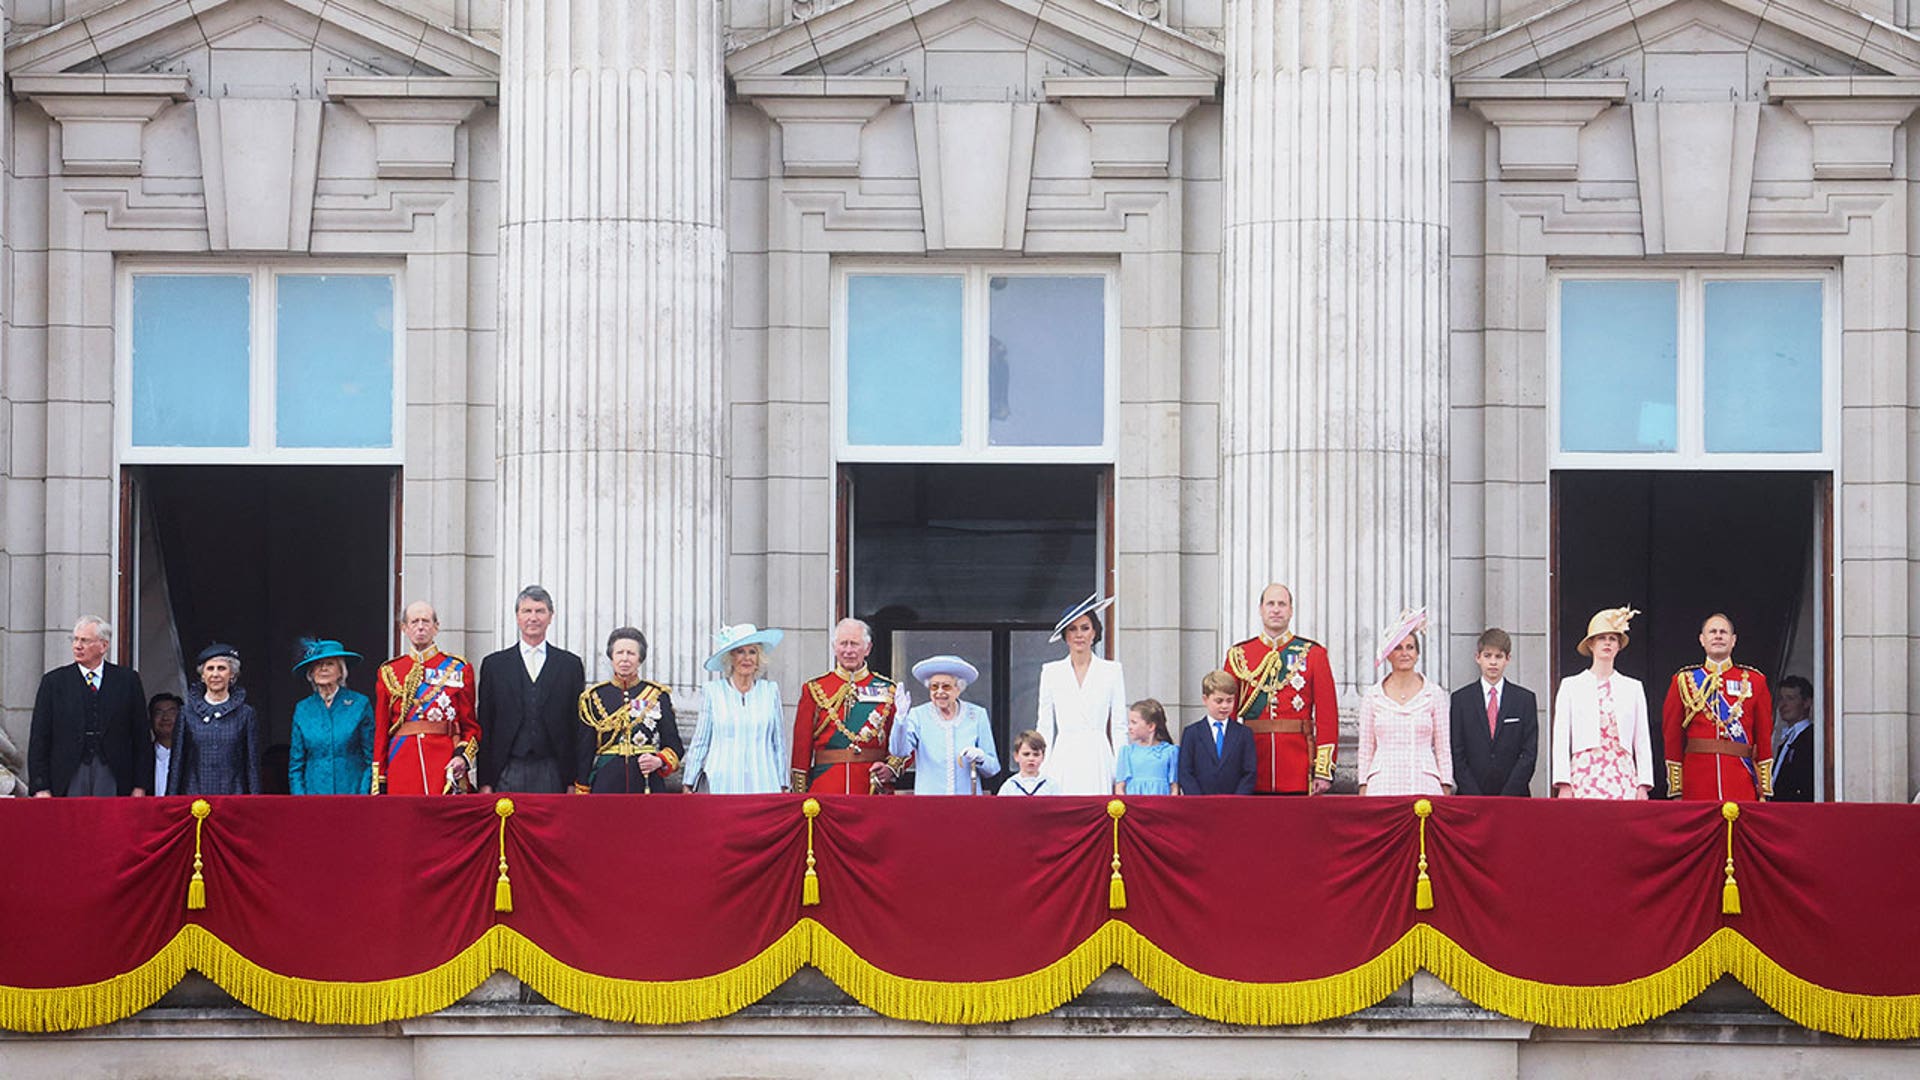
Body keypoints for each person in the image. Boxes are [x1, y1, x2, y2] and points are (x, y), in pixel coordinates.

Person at [1223, 583, 1338, 795]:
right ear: (1261, 609)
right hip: (1252, 764)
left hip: (1298, 766)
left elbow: (1327, 716)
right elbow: (1226, 714)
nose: (1276, 609)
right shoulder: (1239, 655)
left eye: (1282, 604)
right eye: (1271, 604)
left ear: (1291, 611)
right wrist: (1228, 764)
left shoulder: (1313, 654)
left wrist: (1323, 770)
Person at [477, 586, 587, 794]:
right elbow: (486, 723)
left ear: (551, 616)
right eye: (527, 611)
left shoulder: (569, 665)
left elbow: (576, 726)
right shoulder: (494, 665)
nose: (533, 617)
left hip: (553, 769)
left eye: (540, 611)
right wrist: (485, 781)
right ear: (517, 616)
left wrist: (574, 780)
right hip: (507, 768)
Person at [28, 616, 152, 797]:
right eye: (75, 639)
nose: (77, 646)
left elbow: (141, 736)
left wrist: (140, 785)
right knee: (72, 824)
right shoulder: (54, 682)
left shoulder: (127, 680)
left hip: (114, 774)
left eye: (84, 641)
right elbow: (40, 737)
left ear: (103, 646)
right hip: (67, 775)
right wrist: (40, 787)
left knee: (109, 824)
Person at [1662, 614, 1774, 802]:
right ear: (1702, 640)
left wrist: (1764, 789)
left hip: (1741, 781)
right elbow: (1672, 737)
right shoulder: (1683, 681)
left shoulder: (1755, 681)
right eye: (1712, 632)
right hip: (1696, 782)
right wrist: (1677, 788)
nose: (1718, 636)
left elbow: (1764, 736)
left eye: (1723, 632)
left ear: (1733, 640)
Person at [373, 601, 478, 795]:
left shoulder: (459, 668)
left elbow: (470, 726)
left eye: (426, 621)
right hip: (402, 764)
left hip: (443, 763)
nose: (420, 627)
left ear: (436, 627)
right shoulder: (389, 671)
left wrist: (462, 757)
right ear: (404, 628)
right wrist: (380, 777)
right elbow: (381, 730)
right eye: (414, 622)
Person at [792, 618, 907, 795]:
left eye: (854, 644)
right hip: (826, 785)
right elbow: (801, 747)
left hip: (871, 786)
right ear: (834, 647)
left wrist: (891, 768)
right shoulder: (814, 688)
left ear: (867, 649)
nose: (848, 650)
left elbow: (903, 738)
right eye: (843, 644)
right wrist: (800, 793)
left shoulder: (888, 689)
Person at [1551, 607, 1653, 800]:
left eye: (1612, 638)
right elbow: (1561, 737)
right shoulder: (1571, 685)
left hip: (1623, 774)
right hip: (1584, 774)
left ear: (1618, 645)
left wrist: (1643, 784)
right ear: (1591, 644)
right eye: (1601, 638)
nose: (1607, 643)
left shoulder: (1633, 687)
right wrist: (1564, 783)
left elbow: (1642, 738)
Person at [1035, 593, 1129, 796]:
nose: (1079, 635)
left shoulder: (1112, 671)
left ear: (1094, 632)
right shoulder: (1051, 672)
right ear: (1065, 635)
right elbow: (1044, 725)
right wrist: (1042, 769)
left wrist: (1119, 772)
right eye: (1073, 629)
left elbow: (1120, 726)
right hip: (1063, 754)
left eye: (1085, 628)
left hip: (1098, 754)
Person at [1356, 608, 1452, 797]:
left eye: (1410, 647)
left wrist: (1446, 784)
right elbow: (1366, 747)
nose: (1404, 653)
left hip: (1424, 783)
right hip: (1382, 784)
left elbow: (1442, 746)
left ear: (1417, 654)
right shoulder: (1372, 695)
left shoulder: (1434, 694)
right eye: (1398, 648)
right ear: (1389, 654)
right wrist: (1363, 784)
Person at [578, 627, 683, 793]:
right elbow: (585, 751)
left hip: (647, 782)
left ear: (640, 659)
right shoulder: (594, 697)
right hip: (607, 781)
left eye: (631, 653)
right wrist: (582, 788)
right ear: (611, 657)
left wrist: (659, 760)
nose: (625, 659)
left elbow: (674, 745)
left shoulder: (657, 695)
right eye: (620, 653)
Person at [684, 623, 787, 793]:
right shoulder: (713, 691)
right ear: (730, 657)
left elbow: (778, 742)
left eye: (752, 652)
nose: (746, 658)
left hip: (764, 781)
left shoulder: (770, 691)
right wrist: (689, 782)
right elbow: (701, 741)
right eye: (740, 651)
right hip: (722, 783)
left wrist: (783, 783)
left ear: (759, 658)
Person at [890, 655, 999, 795]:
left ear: (958, 689)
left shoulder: (977, 715)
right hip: (930, 803)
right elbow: (898, 751)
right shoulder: (918, 715)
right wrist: (900, 719)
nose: (939, 692)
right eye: (934, 687)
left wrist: (981, 758)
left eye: (946, 686)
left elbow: (993, 768)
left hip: (966, 803)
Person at [1449, 628, 1539, 796]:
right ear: (1478, 658)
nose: (1493, 662)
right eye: (1487, 655)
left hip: (1514, 796)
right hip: (1471, 796)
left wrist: (1508, 794)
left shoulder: (1524, 699)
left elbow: (1529, 753)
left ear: (1508, 659)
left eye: (1499, 657)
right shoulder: (1461, 700)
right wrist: (1474, 794)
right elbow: (1456, 751)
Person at [169, 643, 264, 796]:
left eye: (221, 668)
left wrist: (255, 803)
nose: (215, 674)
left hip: (234, 798)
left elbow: (252, 766)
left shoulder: (246, 714)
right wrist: (171, 803)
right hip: (194, 798)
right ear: (202, 675)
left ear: (232, 674)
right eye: (210, 668)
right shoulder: (186, 713)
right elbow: (177, 764)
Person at [288, 638, 374, 795]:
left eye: (330, 664)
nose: (323, 669)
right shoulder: (303, 709)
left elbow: (371, 758)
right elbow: (296, 765)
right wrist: (300, 800)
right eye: (318, 665)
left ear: (341, 671)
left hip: (351, 792)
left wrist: (363, 795)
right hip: (314, 795)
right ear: (311, 673)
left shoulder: (360, 704)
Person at [1179, 670, 1256, 795]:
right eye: (1219, 701)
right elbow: (1185, 772)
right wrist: (1198, 800)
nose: (1224, 706)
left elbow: (1249, 771)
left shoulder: (1244, 733)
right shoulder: (1192, 733)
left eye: (1229, 701)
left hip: (1234, 804)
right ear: (1205, 699)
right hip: (1201, 804)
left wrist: (1238, 800)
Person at [1114, 698, 1180, 796]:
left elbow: (1174, 787)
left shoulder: (1170, 752)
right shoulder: (1127, 752)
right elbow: (1119, 787)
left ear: (1151, 726)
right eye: (1129, 722)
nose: (1129, 727)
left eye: (1134, 722)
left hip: (1160, 806)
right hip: (1135, 807)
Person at [1772, 674, 1816, 802]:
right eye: (1781, 699)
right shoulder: (1786, 740)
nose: (1783, 705)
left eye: (1790, 698)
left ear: (1807, 702)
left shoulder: (1810, 739)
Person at [999, 730, 1056, 796]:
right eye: (1026, 754)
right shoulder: (1009, 786)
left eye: (1036, 754)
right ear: (1016, 756)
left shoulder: (1051, 786)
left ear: (1043, 757)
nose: (1031, 758)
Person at [148, 693, 182, 797]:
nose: (165, 718)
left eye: (172, 712)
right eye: (159, 713)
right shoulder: (142, 757)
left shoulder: (191, 756)